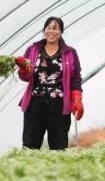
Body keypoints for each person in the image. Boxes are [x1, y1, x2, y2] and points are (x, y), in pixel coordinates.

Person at [17, 17, 84, 150]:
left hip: (59, 105)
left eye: (55, 28)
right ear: (44, 30)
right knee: (30, 145)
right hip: (35, 103)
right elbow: (25, 77)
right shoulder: (33, 49)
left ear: (61, 32)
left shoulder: (70, 53)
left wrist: (77, 99)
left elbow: (76, 77)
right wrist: (23, 68)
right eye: (48, 28)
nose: (51, 31)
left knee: (58, 146)